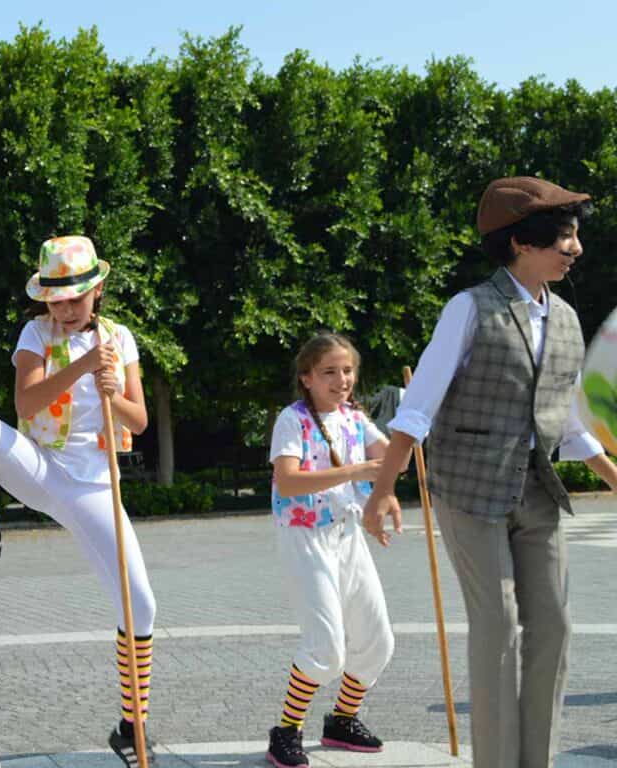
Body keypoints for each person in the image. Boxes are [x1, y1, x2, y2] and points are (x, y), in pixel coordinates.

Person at [363, 177, 617, 768]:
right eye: (564, 236)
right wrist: (383, 492)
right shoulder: (468, 309)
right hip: (469, 492)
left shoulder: (569, 321)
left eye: (575, 234)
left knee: (553, 624)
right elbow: (418, 408)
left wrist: (612, 475)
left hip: (537, 491)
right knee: (498, 624)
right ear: (521, 244)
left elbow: (565, 422)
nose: (575, 247)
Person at [0, 235, 155, 765]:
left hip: (96, 485)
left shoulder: (121, 339)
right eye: (57, 299)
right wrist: (80, 369)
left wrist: (113, 392)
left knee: (142, 605)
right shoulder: (35, 332)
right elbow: (26, 403)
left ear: (97, 291)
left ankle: (132, 723)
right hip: (41, 466)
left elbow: (140, 422)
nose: (67, 308)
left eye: (76, 298)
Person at [263, 333, 394, 768]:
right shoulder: (293, 419)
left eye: (348, 370)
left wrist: (415, 424)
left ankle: (342, 719)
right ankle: (286, 729)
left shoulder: (354, 418)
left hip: (346, 533)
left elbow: (393, 458)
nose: (342, 380)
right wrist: (356, 471)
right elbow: (288, 480)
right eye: (330, 372)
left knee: (378, 640)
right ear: (307, 379)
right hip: (304, 535)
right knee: (326, 648)